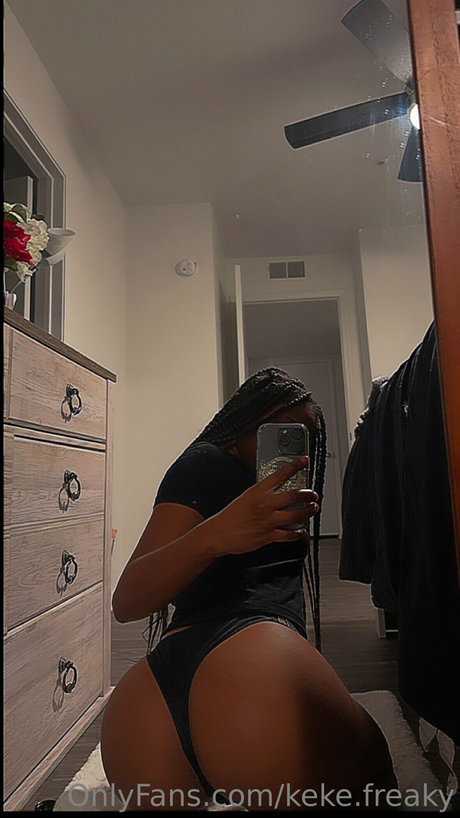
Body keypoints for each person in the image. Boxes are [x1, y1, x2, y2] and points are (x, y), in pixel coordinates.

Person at [101, 368, 397, 811]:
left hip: (147, 706)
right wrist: (218, 533)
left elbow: (127, 603)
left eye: (305, 437)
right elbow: (127, 602)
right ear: (244, 421)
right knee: (377, 779)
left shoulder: (213, 470)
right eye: (281, 430)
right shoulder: (206, 462)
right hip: (253, 672)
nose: (294, 447)